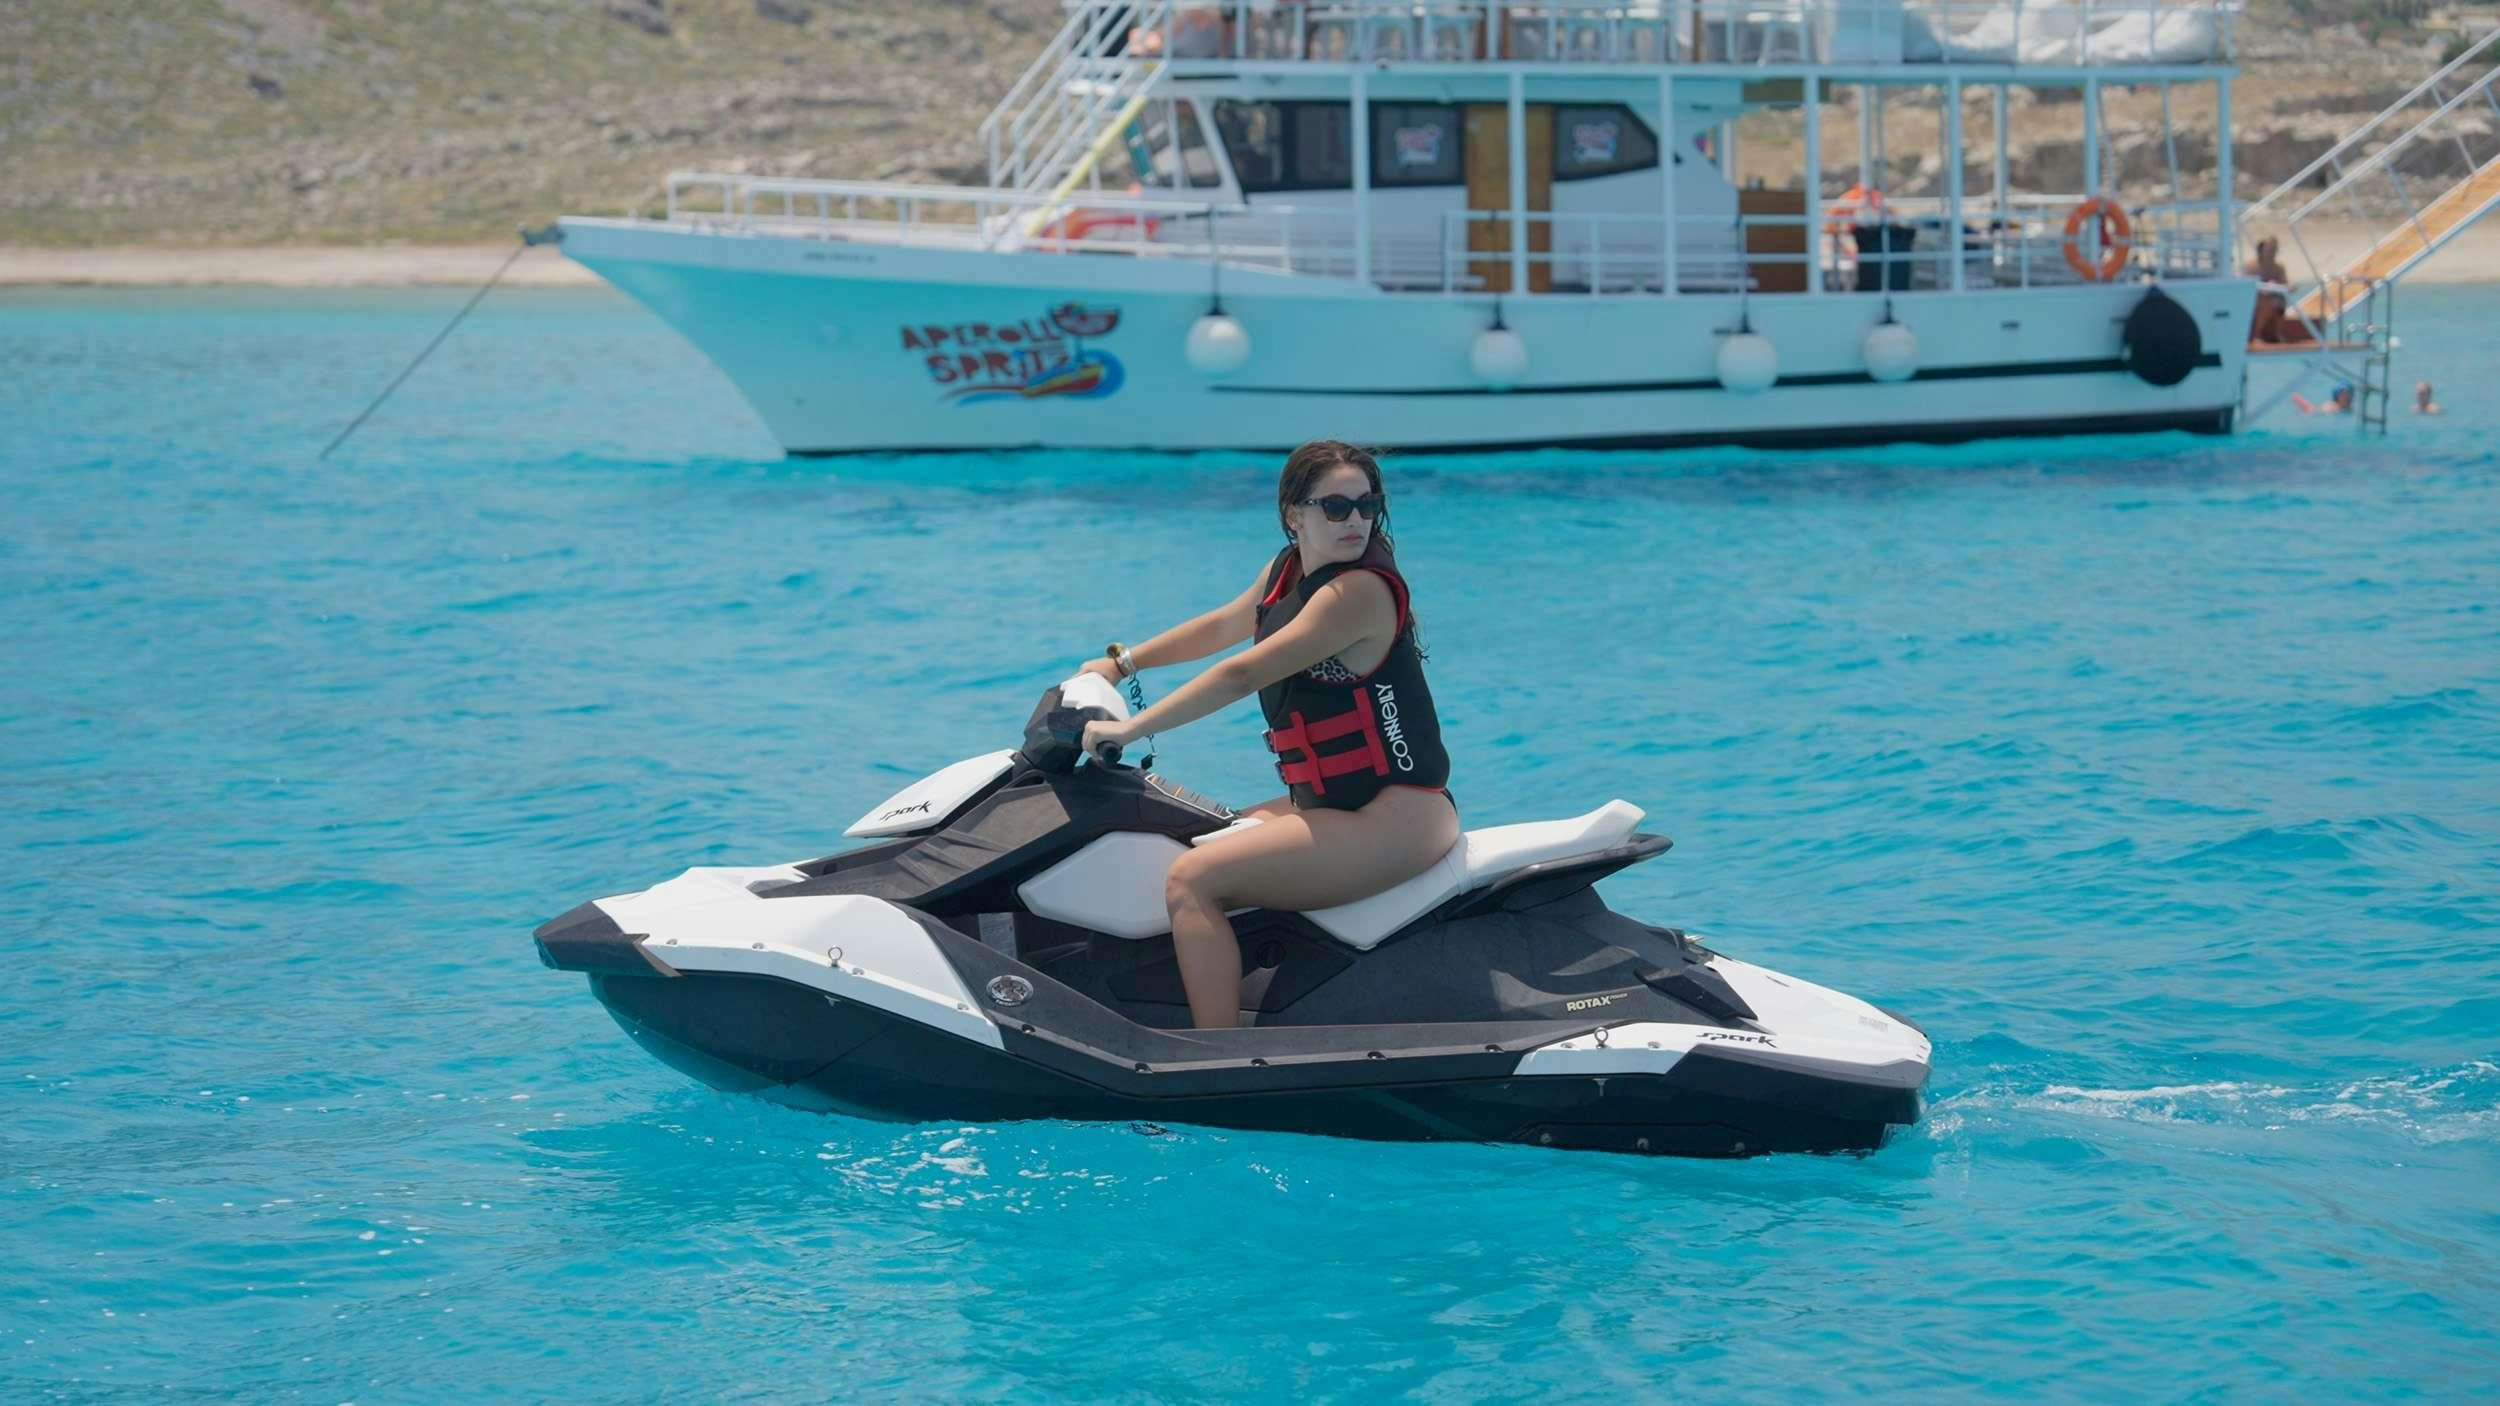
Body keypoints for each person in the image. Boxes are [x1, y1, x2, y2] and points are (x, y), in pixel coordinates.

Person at [1075, 440, 1457, 1029]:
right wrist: (1122, 664)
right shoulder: (1288, 570)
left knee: (1192, 880)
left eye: (1367, 506)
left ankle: (1215, 1054)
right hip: (1337, 807)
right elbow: (1224, 625)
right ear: (1294, 515)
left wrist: (1130, 729)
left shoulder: (1356, 594)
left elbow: (1243, 671)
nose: (1354, 520)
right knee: (1188, 837)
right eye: (1335, 507)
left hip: (1395, 818)